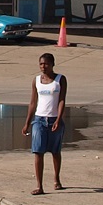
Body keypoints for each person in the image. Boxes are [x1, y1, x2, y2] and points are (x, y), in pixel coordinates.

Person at [23, 52, 67, 194]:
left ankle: (56, 179)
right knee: (38, 151)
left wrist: (58, 119)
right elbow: (32, 103)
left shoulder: (60, 80)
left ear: (53, 64)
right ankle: (39, 186)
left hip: (54, 119)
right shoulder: (36, 80)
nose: (43, 66)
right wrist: (27, 123)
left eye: (46, 64)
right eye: (41, 64)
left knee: (55, 151)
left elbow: (62, 100)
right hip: (39, 120)